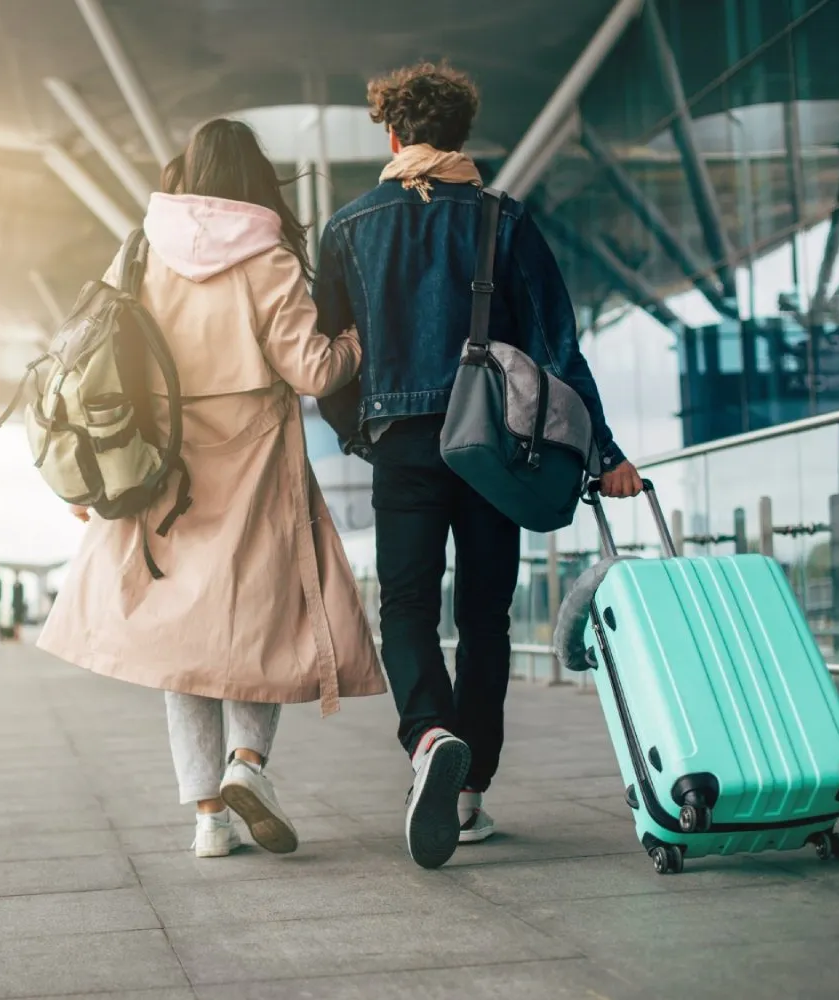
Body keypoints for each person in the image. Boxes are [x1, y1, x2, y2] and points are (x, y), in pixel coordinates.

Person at [312, 63, 642, 870]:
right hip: (496, 446)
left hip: (404, 445)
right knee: (486, 616)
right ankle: (468, 796)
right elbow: (558, 349)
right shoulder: (506, 219)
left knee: (408, 606)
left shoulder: (351, 227)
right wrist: (605, 453)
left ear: (391, 134)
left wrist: (365, 432)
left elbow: (328, 360)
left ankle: (429, 737)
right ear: (462, 137)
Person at [38, 119, 386, 859]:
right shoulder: (267, 258)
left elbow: (99, 356)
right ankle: (248, 767)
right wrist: (359, 341)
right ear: (256, 177)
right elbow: (315, 371)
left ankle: (207, 820)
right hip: (254, 464)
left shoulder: (140, 250)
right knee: (262, 623)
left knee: (182, 645)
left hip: (161, 467)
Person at [11, 574, 27, 641]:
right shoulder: (14, 585)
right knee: (15, 621)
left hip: (19, 606)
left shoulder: (21, 586)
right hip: (15, 606)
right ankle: (15, 635)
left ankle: (19, 635)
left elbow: (21, 596)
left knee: (19, 621)